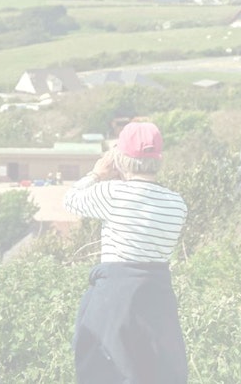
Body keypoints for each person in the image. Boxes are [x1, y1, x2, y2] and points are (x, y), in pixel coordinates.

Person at [63, 121, 188, 383]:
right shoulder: (177, 203)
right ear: (158, 160)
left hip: (115, 297)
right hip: (158, 296)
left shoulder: (112, 192)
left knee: (103, 370)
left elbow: (70, 200)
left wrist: (97, 173)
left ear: (120, 158)